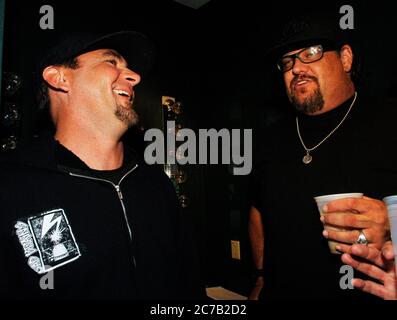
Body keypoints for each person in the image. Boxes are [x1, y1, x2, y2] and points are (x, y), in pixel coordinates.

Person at [0, 31, 205, 300]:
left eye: (128, 67)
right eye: (111, 62)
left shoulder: (155, 182)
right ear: (59, 78)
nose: (135, 76)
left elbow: (188, 287)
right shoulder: (12, 186)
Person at [248, 13, 397, 300]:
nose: (297, 68)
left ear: (345, 58)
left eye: (311, 53)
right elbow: (257, 209)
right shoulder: (270, 138)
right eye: (287, 62)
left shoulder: (390, 120)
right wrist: (261, 276)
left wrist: (390, 227)